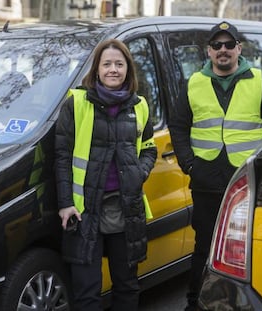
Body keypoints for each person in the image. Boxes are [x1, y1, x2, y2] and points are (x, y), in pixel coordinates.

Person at [168, 21, 262, 311]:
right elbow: (178, 126)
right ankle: (195, 302)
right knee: (205, 247)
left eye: (229, 44)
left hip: (252, 182)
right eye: (217, 45)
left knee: (249, 247)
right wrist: (189, 165)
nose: (223, 50)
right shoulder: (194, 83)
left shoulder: (260, 80)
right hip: (207, 181)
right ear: (209, 51)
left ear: (239, 48)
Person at [55, 38, 157, 311]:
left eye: (119, 64)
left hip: (126, 207)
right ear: (96, 69)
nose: (113, 69)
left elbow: (149, 148)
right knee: (87, 292)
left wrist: (140, 172)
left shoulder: (140, 106)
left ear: (128, 69)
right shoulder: (76, 104)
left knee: (127, 287)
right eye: (107, 63)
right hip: (84, 210)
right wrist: (65, 203)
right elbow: (62, 157)